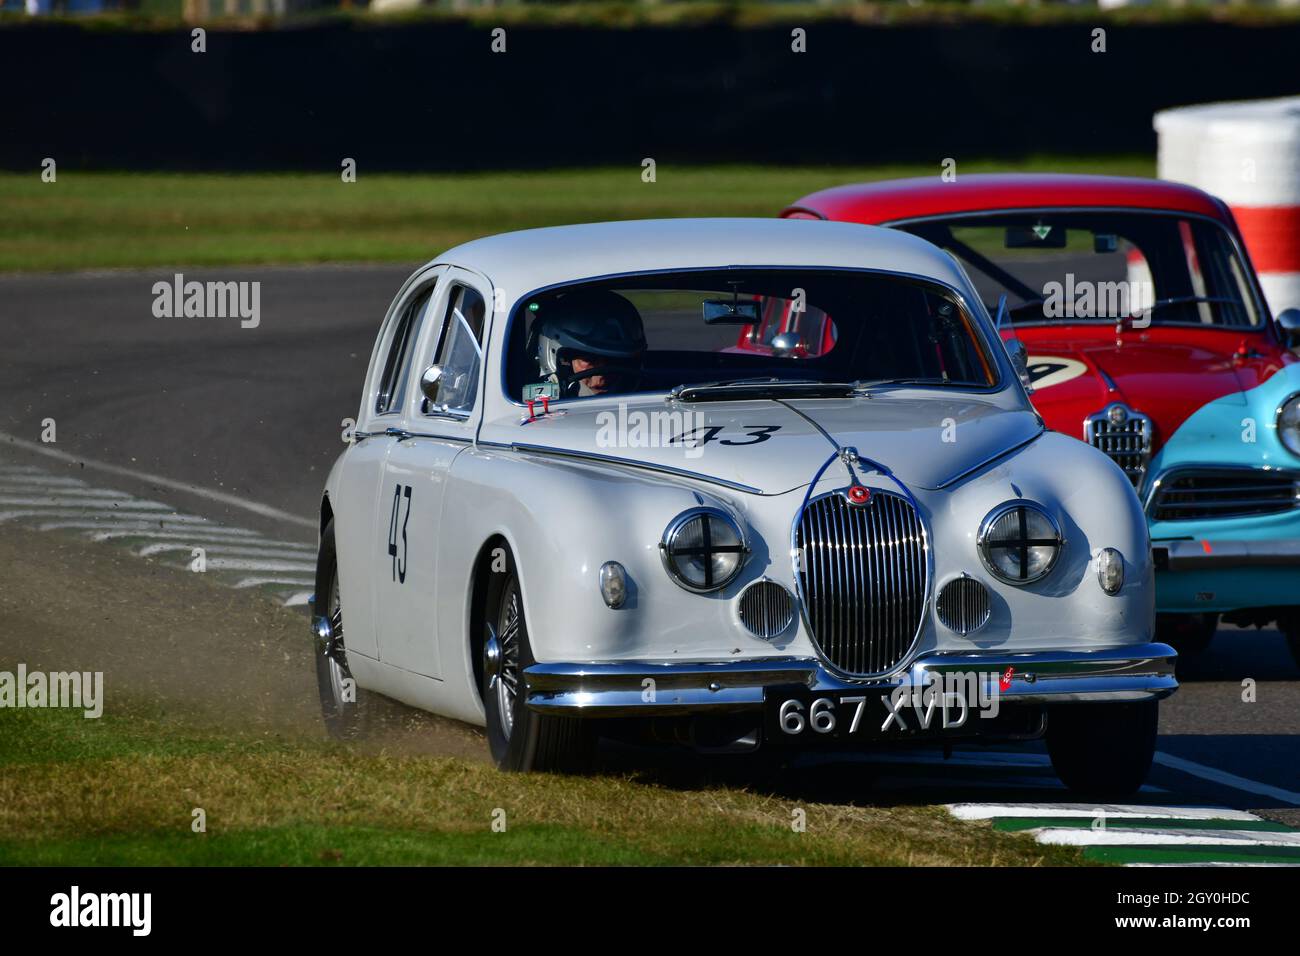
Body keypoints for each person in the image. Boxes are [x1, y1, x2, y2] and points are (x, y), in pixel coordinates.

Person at [528, 289, 647, 398]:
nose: (601, 379)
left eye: (615, 361)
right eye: (590, 361)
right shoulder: (528, 407)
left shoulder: (654, 397)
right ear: (556, 358)